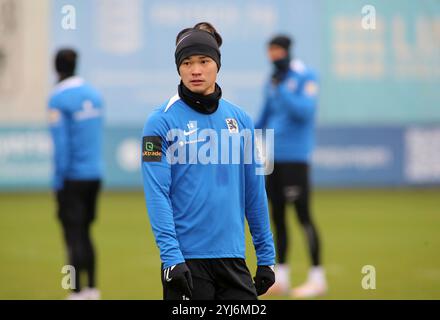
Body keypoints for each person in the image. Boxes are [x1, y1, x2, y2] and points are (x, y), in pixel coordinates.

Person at [141, 23, 276, 300]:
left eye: (204, 61)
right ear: (178, 68)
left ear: (217, 64)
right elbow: (157, 194)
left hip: (234, 262)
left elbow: (255, 192)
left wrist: (266, 256)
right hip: (186, 264)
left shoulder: (242, 121)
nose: (196, 70)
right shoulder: (158, 123)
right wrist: (171, 258)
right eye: (187, 62)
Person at [255, 35, 327, 298]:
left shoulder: (306, 76)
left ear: (286, 51)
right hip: (273, 158)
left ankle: (318, 277)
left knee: (303, 217)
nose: (273, 56)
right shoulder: (271, 80)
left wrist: (283, 89)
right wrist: (241, 134)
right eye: (270, 51)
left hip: (296, 158)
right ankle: (281, 277)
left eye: (277, 51)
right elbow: (264, 116)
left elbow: (305, 112)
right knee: (277, 217)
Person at [48, 48, 103, 300]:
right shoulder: (94, 95)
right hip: (94, 175)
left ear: (56, 68)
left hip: (72, 178)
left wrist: (58, 181)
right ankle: (92, 288)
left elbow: (62, 146)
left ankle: (75, 291)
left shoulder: (58, 99)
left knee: (73, 235)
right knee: (86, 233)